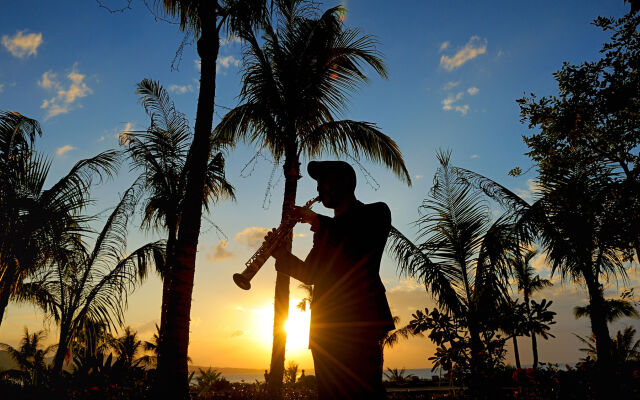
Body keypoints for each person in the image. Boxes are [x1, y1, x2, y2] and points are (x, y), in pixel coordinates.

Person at [268, 160, 394, 399]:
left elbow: (354, 239)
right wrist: (280, 255)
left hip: (360, 327)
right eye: (317, 183)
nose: (318, 189)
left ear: (343, 183)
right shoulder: (326, 232)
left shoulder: (375, 213)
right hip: (325, 333)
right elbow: (311, 274)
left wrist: (318, 221)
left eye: (324, 181)